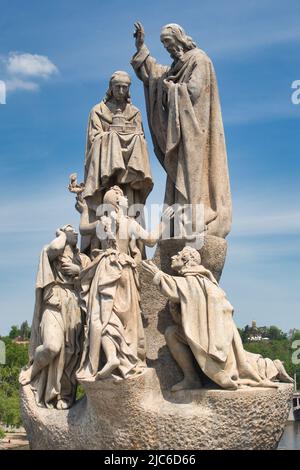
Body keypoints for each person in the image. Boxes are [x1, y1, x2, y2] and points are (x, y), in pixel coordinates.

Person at [143, 246, 294, 391]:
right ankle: (192, 378)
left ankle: (271, 367)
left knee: (238, 366)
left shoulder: (196, 280)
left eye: (178, 255)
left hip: (215, 340)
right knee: (172, 333)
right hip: (206, 336)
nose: (173, 257)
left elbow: (178, 289)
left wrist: (158, 275)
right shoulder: (198, 280)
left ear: (186, 261)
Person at [132, 23, 231, 238]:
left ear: (179, 38)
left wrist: (173, 90)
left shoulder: (199, 59)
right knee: (177, 176)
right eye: (163, 43)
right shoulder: (177, 65)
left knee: (193, 176)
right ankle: (177, 222)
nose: (166, 47)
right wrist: (142, 48)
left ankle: (193, 219)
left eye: (167, 42)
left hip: (195, 131)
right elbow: (155, 75)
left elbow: (195, 92)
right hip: (181, 133)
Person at [76, 186, 174, 380]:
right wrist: (163, 222)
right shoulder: (129, 223)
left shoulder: (101, 222)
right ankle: (121, 359)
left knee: (103, 317)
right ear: (116, 201)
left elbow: (81, 229)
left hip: (107, 269)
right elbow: (152, 240)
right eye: (122, 196)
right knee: (124, 319)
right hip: (125, 272)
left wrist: (85, 210)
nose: (127, 199)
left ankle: (110, 357)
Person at [82, 70, 153, 255]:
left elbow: (142, 137)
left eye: (125, 87)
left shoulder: (134, 112)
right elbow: (94, 138)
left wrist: (129, 138)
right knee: (112, 136)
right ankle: (101, 250)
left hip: (130, 178)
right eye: (118, 87)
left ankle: (133, 251)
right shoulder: (98, 110)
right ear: (111, 88)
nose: (121, 90)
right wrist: (113, 137)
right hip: (105, 177)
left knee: (137, 139)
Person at [19, 225, 90, 409]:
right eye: (69, 228)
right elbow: (56, 248)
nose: (73, 231)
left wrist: (78, 271)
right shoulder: (51, 254)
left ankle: (64, 395)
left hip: (74, 304)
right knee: (52, 346)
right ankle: (33, 370)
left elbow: (95, 280)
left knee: (71, 353)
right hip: (54, 301)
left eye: (74, 230)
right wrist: (61, 235)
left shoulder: (83, 259)